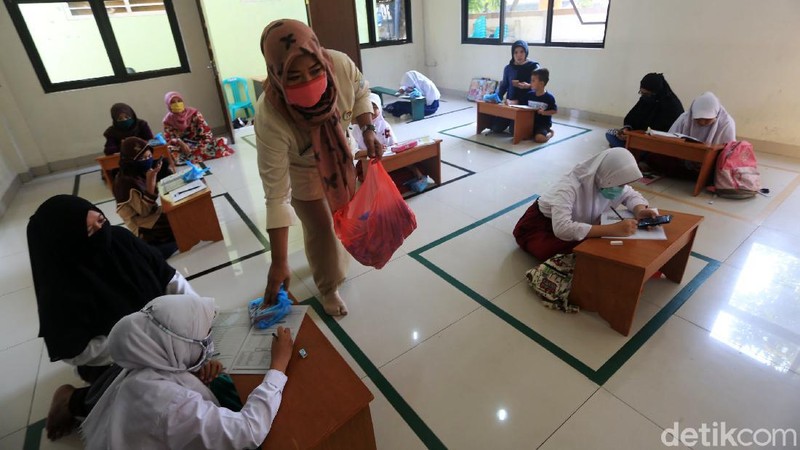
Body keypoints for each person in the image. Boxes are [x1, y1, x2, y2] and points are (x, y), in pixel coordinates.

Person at [26, 194, 199, 440]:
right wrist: (141, 344)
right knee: (149, 401)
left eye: (101, 220)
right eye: (89, 230)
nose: (101, 230)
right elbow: (76, 351)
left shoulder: (121, 239)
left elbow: (170, 278)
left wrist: (195, 312)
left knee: (194, 368)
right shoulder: (61, 284)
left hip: (160, 331)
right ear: (67, 241)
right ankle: (72, 401)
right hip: (111, 356)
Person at [256, 19, 382, 316]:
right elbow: (275, 196)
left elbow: (362, 92)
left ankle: (335, 262)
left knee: (343, 216)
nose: (309, 84)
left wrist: (368, 130)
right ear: (277, 74)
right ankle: (329, 287)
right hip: (303, 173)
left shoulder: (339, 64)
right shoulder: (270, 115)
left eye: (314, 71)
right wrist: (279, 261)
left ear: (321, 58)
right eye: (294, 77)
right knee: (322, 228)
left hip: (339, 159)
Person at [80, 295, 294, 449]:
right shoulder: (169, 404)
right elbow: (248, 431)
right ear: (175, 346)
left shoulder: (142, 370)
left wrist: (192, 376)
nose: (208, 342)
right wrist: (278, 365)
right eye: (205, 336)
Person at [513, 148, 658, 261]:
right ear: (606, 176)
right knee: (581, 253)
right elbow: (562, 229)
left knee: (601, 247)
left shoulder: (608, 181)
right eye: (620, 184)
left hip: (574, 223)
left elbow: (630, 194)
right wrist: (611, 229)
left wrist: (639, 210)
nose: (622, 188)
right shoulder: (568, 188)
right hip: (541, 226)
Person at [645, 91, 736, 178]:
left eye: (708, 119)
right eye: (698, 119)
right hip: (683, 160)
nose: (702, 122)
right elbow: (669, 139)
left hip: (709, 164)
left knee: (718, 172)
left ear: (716, 115)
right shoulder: (685, 118)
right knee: (654, 157)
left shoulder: (726, 123)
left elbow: (729, 152)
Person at [113, 137, 177, 258]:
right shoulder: (125, 183)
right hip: (142, 226)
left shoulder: (136, 171)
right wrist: (150, 184)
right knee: (178, 223)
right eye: (142, 158)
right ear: (130, 160)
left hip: (152, 214)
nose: (147, 161)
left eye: (149, 156)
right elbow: (144, 212)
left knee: (178, 214)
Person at [605, 73, 684, 147]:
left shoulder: (672, 106)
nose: (643, 96)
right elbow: (632, 117)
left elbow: (667, 134)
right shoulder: (645, 99)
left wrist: (639, 136)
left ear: (656, 93)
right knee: (611, 133)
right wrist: (627, 130)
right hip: (641, 139)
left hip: (661, 144)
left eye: (646, 94)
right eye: (641, 93)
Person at [162, 91, 235, 165]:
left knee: (219, 142)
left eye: (179, 101)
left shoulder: (194, 113)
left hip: (199, 143)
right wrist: (180, 143)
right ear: (168, 105)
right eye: (173, 102)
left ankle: (191, 157)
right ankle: (197, 156)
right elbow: (169, 138)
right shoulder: (167, 120)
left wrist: (203, 142)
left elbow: (206, 131)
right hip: (182, 146)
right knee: (169, 150)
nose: (177, 104)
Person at [491, 40, 540, 133]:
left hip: (526, 104)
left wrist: (529, 86)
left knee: (514, 131)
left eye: (522, 52)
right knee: (496, 128)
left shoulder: (534, 66)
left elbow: (539, 86)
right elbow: (504, 86)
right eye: (516, 52)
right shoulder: (509, 68)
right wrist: (496, 97)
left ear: (526, 52)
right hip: (510, 103)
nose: (519, 55)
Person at [524, 68, 557, 143]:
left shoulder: (549, 97)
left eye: (533, 81)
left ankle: (550, 133)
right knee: (520, 134)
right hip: (530, 123)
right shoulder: (529, 95)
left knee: (539, 139)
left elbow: (554, 111)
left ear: (541, 83)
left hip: (542, 124)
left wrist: (544, 112)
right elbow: (522, 105)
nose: (530, 83)